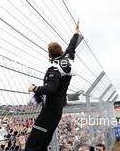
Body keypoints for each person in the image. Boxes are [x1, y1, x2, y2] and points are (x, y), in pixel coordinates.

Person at [25, 21, 83, 151]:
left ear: (49, 55)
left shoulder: (54, 69)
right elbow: (72, 47)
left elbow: (51, 88)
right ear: (61, 51)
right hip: (57, 109)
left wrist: (34, 89)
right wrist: (76, 33)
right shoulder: (68, 59)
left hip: (49, 111)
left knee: (32, 145)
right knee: (43, 143)